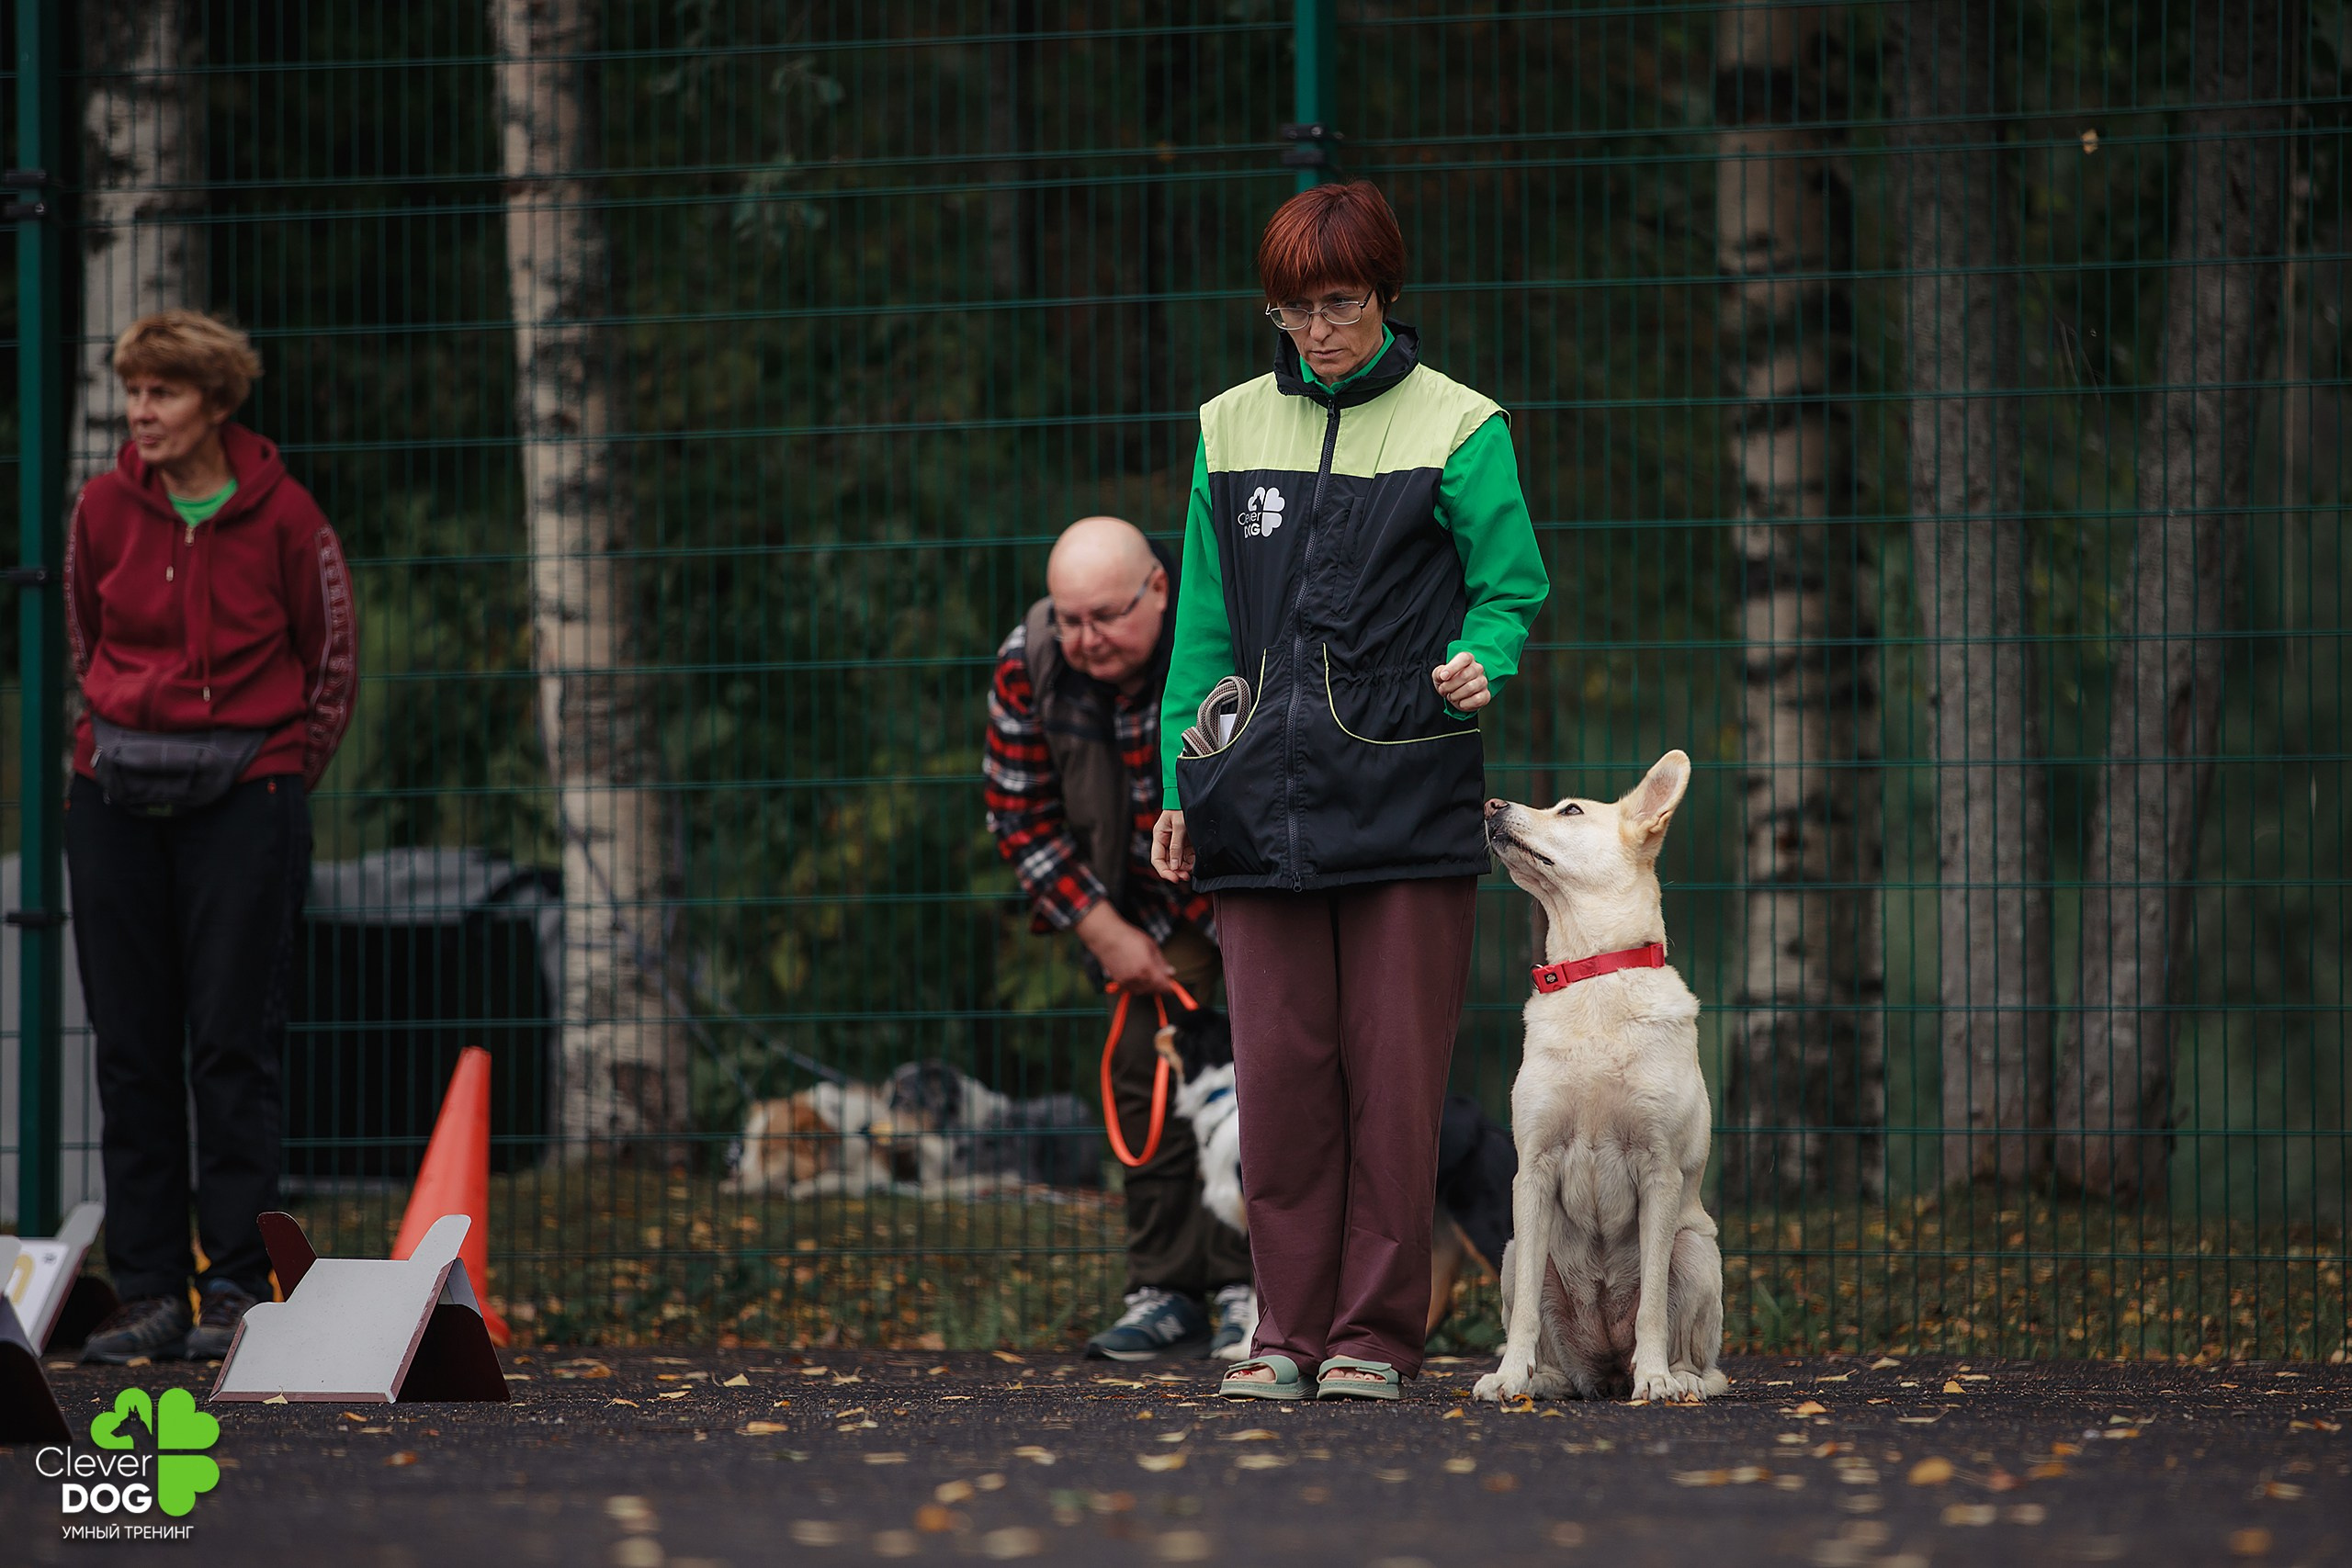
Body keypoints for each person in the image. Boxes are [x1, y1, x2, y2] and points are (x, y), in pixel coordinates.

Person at [1152, 182, 1548, 1400]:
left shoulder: (1463, 425)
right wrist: (1182, 778)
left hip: (1408, 797)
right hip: (1252, 806)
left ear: (1385, 296)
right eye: (1294, 309)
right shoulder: (1229, 425)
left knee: (1393, 1084)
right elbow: (1205, 629)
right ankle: (1283, 1332)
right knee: (1279, 1083)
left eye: (1341, 303)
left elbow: (1511, 588)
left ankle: (1375, 1336)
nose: (1317, 329)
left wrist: (1491, 655)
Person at [65, 310, 358, 1363]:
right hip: (114, 797)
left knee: (234, 1046)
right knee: (131, 1049)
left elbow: (330, 664)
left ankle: (233, 1281)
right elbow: (82, 639)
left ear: (219, 403)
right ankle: (147, 1291)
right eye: (134, 390)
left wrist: (276, 773)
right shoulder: (101, 508)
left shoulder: (287, 517)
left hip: (249, 794)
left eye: (165, 393)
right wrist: (106, 742)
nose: (141, 412)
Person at [984, 515, 1255, 1359]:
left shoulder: (1227, 636)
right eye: (1068, 619)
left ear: (1160, 588)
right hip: (1134, 911)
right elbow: (1017, 814)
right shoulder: (1028, 666)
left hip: (1245, 898)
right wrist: (1103, 932)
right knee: (1145, 1077)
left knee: (1266, 1084)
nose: (1084, 638)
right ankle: (1165, 1289)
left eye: (1104, 616)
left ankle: (1260, 1287)